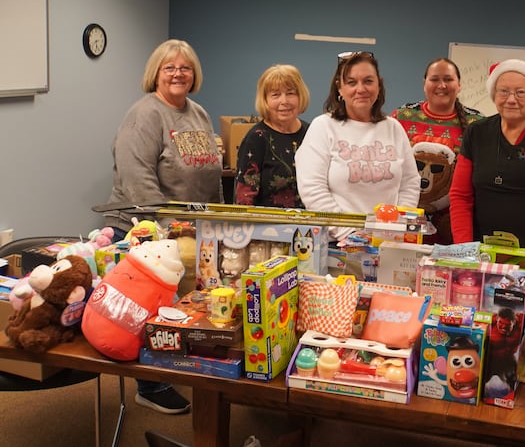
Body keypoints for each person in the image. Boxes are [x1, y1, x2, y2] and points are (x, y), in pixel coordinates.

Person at [104, 38, 222, 415]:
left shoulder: (199, 113)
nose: (178, 74)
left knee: (180, 308)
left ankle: (170, 368)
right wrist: (174, 229)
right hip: (147, 229)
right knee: (150, 310)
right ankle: (150, 385)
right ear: (155, 73)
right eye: (169, 67)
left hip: (189, 230)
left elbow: (211, 173)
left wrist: (216, 221)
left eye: (185, 67)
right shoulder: (144, 114)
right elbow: (138, 181)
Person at [295, 51, 421, 241]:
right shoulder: (323, 126)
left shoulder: (393, 127)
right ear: (340, 88)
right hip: (338, 244)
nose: (360, 89)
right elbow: (313, 189)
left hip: (389, 241)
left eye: (368, 81)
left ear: (379, 84)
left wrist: (397, 227)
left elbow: (410, 183)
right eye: (352, 82)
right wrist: (350, 235)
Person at [449, 59, 525, 251]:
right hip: (479, 251)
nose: (511, 99)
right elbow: (460, 197)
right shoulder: (476, 132)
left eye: (521, 92)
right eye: (503, 91)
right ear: (494, 94)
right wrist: (465, 250)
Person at [391, 58, 483, 244]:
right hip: (403, 218)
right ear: (424, 83)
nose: (441, 85)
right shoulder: (401, 116)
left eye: (448, 79)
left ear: (459, 85)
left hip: (453, 225)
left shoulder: (478, 124)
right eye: (434, 79)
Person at [234, 64, 310, 208]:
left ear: (300, 96)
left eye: (290, 93)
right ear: (265, 100)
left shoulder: (312, 133)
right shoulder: (256, 138)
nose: (284, 101)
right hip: (269, 227)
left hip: (311, 226)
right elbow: (244, 200)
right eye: (275, 95)